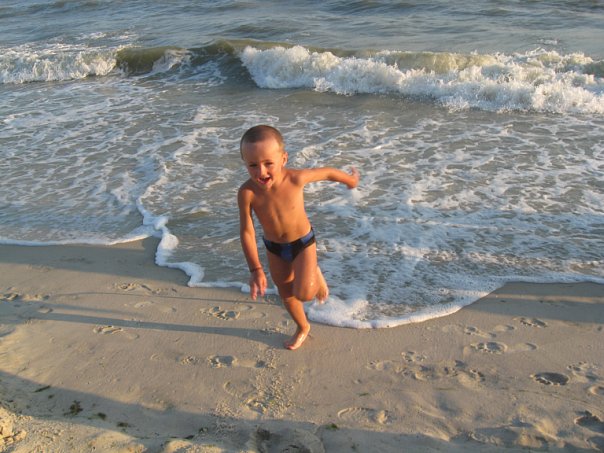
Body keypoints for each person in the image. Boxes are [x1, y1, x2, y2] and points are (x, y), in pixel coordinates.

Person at [237, 125, 360, 350]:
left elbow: (327, 173)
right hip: (274, 248)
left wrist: (350, 181)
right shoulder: (247, 193)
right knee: (286, 294)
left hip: (303, 243)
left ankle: (315, 270)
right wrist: (255, 269)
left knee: (304, 293)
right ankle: (303, 327)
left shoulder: (295, 179)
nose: (261, 172)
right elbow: (247, 230)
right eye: (252, 165)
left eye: (268, 163)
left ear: (283, 159)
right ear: (245, 163)